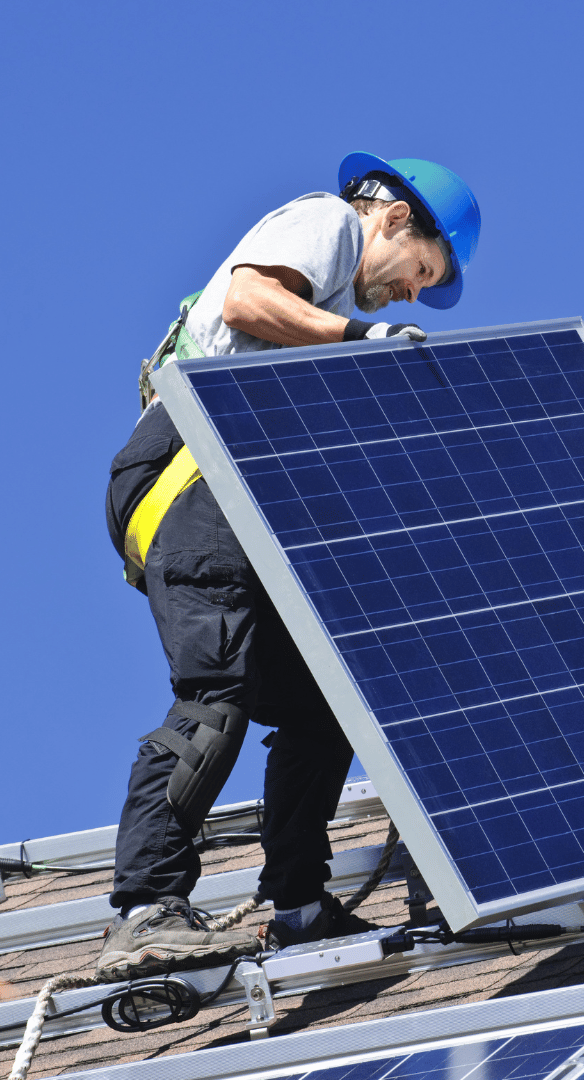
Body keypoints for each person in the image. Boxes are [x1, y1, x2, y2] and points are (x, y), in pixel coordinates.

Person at [98, 153, 481, 980]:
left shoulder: (342, 296)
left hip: (243, 501)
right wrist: (362, 335)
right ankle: (145, 911)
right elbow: (245, 300)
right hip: (192, 476)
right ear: (392, 219)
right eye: (422, 272)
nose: (415, 293)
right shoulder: (330, 224)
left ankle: (300, 906)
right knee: (217, 688)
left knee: (324, 704)